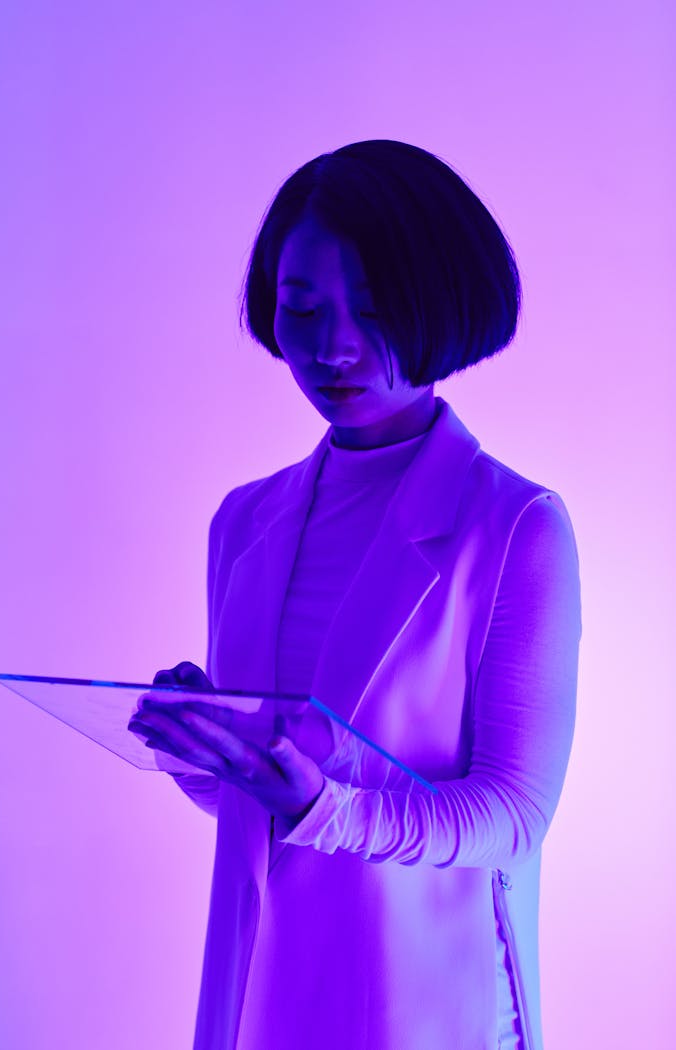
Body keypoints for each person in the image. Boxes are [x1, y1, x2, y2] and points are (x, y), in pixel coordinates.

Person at [129, 140, 582, 1050]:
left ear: (442, 304)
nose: (333, 348)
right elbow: (266, 801)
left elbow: (512, 814)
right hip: (264, 982)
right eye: (301, 308)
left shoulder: (516, 525)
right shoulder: (243, 523)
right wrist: (199, 754)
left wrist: (328, 808)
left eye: (374, 312)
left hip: (423, 992)